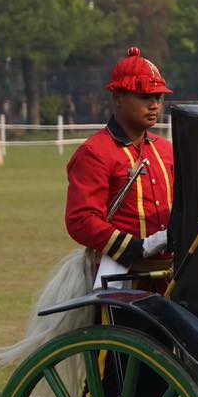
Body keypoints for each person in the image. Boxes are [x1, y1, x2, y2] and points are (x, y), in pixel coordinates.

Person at [66, 46, 175, 285]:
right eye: (144, 97)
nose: (154, 105)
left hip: (170, 276)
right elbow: (81, 219)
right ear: (118, 98)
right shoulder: (94, 152)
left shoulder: (167, 150)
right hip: (120, 276)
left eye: (158, 97)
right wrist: (137, 247)